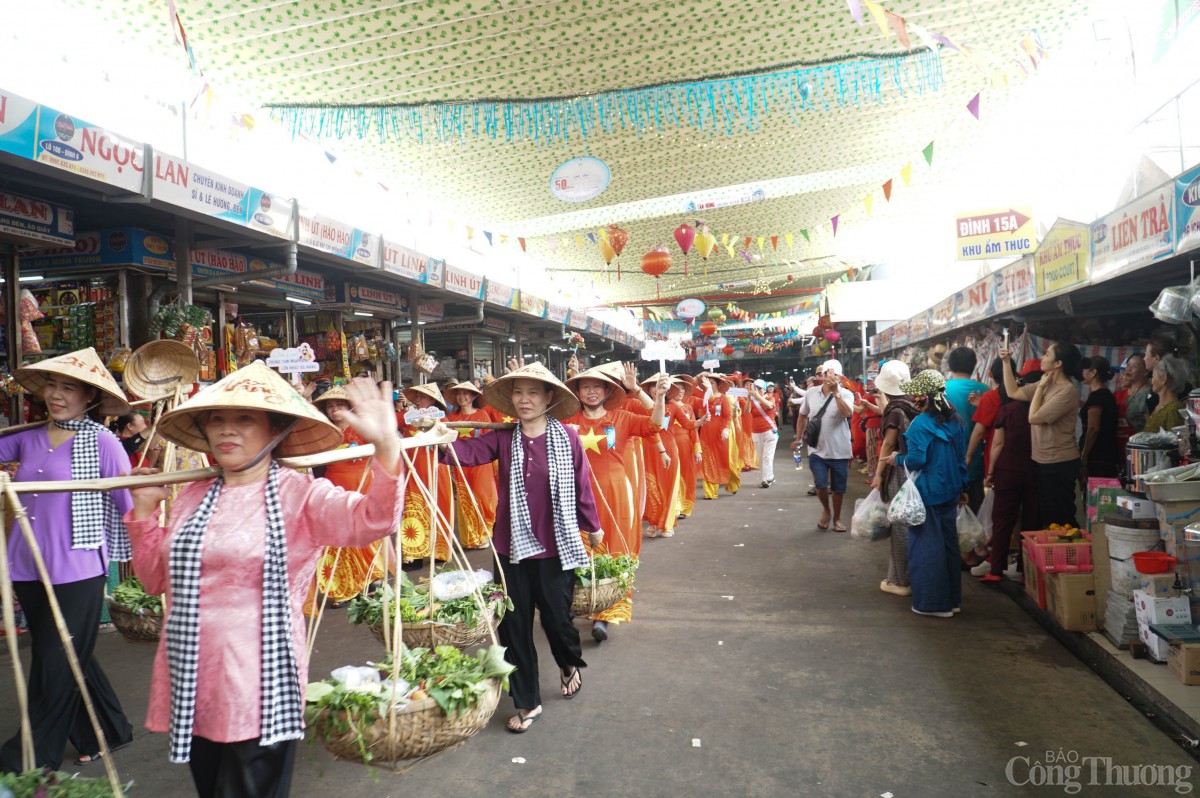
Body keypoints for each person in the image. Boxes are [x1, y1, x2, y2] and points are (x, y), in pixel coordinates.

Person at [124, 364, 402, 797]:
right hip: (190, 676)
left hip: (258, 683)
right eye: (217, 419)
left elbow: (374, 519)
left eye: (244, 419)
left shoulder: (301, 495)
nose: (226, 431)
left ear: (275, 430)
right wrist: (143, 512)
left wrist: (386, 444)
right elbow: (155, 579)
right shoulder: (193, 495)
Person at [441, 363, 603, 735]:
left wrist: (592, 525)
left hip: (556, 548)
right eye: (518, 393)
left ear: (549, 398)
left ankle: (566, 662)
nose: (525, 400)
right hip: (510, 548)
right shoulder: (503, 438)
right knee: (513, 627)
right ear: (510, 400)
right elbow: (463, 454)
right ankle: (527, 700)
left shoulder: (569, 439)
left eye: (533, 392)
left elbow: (583, 485)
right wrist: (436, 438)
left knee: (558, 621)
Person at [0, 348, 135, 773]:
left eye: (69, 388)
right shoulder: (30, 435)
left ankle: (29, 756)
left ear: (89, 397)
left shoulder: (104, 442)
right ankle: (109, 731)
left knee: (55, 660)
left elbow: (127, 503)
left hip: (78, 566)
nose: (57, 395)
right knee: (65, 652)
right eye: (52, 386)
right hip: (26, 563)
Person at [565, 364, 667, 641]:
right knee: (578, 548)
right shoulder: (566, 420)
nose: (591, 392)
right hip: (575, 493)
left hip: (616, 493)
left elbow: (656, 424)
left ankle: (606, 613)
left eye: (597, 386)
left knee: (614, 547)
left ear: (608, 390)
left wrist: (656, 398)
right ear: (577, 392)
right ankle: (581, 601)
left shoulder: (622, 417)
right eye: (585, 386)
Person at [881, 369, 968, 618]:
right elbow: (961, 457)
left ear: (924, 397)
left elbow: (917, 460)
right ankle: (952, 601)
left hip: (928, 492)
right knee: (949, 546)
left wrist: (896, 458)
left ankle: (932, 604)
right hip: (950, 489)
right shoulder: (955, 420)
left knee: (926, 546)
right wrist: (963, 487)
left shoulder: (920, 424)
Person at [302, 385, 388, 616]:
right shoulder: (325, 432)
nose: (335, 410)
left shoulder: (361, 430)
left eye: (340, 405)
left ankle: (373, 578)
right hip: (333, 489)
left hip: (363, 486)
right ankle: (343, 589)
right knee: (338, 538)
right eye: (330, 406)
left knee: (366, 536)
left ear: (350, 408)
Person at [974, 361, 1043, 583]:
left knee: (1003, 519)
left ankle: (996, 569)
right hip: (1035, 470)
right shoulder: (1042, 411)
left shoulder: (1008, 409)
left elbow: (997, 444)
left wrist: (991, 471)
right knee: (1032, 521)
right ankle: (1025, 570)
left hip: (1008, 470)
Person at [1002, 342, 1082, 528]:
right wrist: (1006, 362)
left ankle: (1071, 555)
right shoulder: (1047, 382)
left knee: (1062, 516)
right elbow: (1013, 392)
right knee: (1048, 517)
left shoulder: (1067, 390)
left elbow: (1034, 417)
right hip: (1043, 460)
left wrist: (1039, 388)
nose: (1042, 358)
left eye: (1047, 355)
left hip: (1059, 462)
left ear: (1058, 364)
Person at [871, 361, 917, 596]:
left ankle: (900, 580)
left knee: (899, 523)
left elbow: (888, 444)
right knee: (910, 521)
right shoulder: (912, 404)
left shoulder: (896, 411)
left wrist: (878, 474)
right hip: (914, 469)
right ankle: (907, 576)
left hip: (898, 468)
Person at [792, 360, 855, 531]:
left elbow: (846, 414)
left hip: (839, 449)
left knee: (838, 488)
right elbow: (803, 415)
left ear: (840, 377)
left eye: (834, 373)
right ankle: (826, 511)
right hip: (816, 448)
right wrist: (798, 438)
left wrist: (836, 394)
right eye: (827, 372)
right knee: (820, 484)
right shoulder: (811, 393)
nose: (829, 376)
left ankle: (837, 518)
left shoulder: (847, 394)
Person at [397, 382, 453, 569]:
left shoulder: (442, 421)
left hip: (438, 469)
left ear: (432, 400)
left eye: (423, 397)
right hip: (413, 471)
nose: (419, 400)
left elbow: (450, 444)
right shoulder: (407, 419)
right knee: (413, 507)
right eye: (417, 397)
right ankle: (414, 555)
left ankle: (440, 551)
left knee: (440, 507)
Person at [445, 381, 499, 550]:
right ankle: (470, 537)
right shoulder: (451, 418)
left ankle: (485, 532)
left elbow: (490, 441)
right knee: (465, 498)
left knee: (484, 497)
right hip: (460, 464)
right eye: (459, 393)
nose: (462, 397)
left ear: (474, 396)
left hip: (481, 463)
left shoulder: (482, 415)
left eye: (466, 393)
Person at [635, 374, 681, 538]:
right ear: (647, 389)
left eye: (659, 385)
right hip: (648, 449)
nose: (656, 389)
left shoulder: (674, 407)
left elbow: (689, 425)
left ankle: (667, 524)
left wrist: (702, 421)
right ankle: (654, 522)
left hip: (668, 448)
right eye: (653, 386)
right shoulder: (640, 406)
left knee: (667, 485)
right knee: (651, 487)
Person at [943, 346, 988, 512]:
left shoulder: (941, 391)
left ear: (950, 365)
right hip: (974, 463)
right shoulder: (985, 391)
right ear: (974, 365)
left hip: (945, 464)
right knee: (973, 515)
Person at [696, 373, 739, 500]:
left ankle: (732, 483)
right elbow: (700, 413)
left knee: (723, 460)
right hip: (706, 434)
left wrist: (726, 429)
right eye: (708, 383)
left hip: (720, 435)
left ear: (718, 385)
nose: (709, 385)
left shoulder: (723, 398)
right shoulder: (704, 398)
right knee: (708, 460)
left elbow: (728, 416)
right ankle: (710, 491)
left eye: (712, 383)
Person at [665, 376, 702, 520]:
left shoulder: (687, 408)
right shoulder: (663, 407)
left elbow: (693, 428)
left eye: (683, 389)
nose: (680, 392)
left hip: (685, 446)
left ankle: (685, 507)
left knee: (687, 476)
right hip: (669, 446)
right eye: (677, 388)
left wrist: (697, 449)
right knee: (671, 476)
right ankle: (672, 505)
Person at [1079, 356, 1120, 482]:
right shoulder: (1104, 394)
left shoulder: (1097, 396)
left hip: (1097, 454)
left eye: (1084, 370)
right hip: (1107, 452)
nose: (1081, 373)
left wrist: (1084, 455)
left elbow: (1093, 428)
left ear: (1093, 372)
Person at [746, 379, 780, 489]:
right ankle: (770, 476)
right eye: (756, 388)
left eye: (760, 388)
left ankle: (765, 479)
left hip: (769, 431)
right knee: (761, 458)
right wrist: (749, 399)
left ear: (764, 389)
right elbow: (746, 411)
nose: (757, 390)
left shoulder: (770, 398)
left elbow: (769, 406)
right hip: (756, 432)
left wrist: (757, 396)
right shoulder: (753, 401)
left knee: (767, 457)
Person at [1143, 355, 1189, 433]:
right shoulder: (1160, 407)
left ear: (1164, 378)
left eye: (1153, 376)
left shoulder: (1174, 409)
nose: (1152, 381)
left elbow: (1174, 441)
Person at [1118, 354, 1151, 436]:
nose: (1128, 369)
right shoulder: (1134, 393)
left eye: (1134, 366)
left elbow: (1151, 427)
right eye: (1128, 365)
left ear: (1146, 371)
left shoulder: (1147, 394)